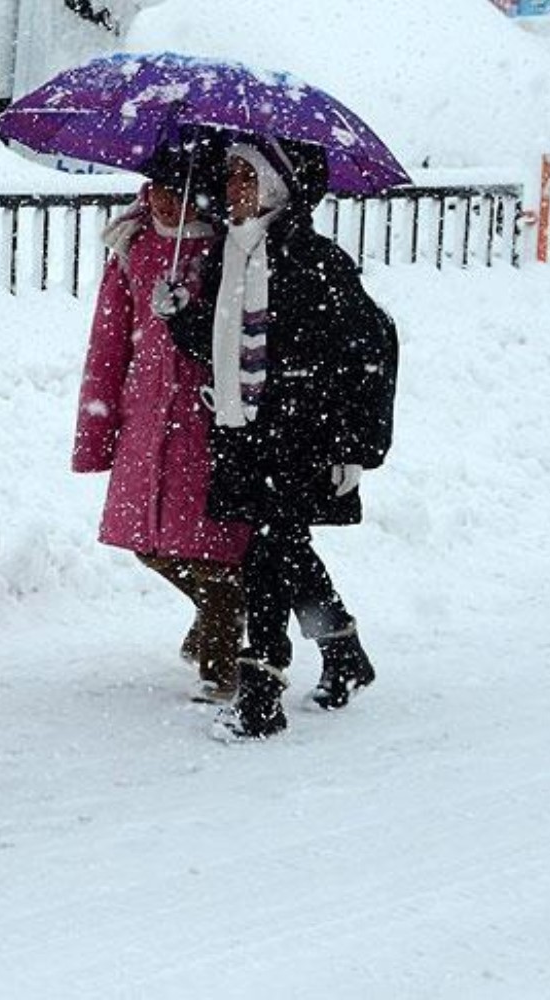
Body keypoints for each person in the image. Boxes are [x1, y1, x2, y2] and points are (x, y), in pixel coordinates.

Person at [166, 139, 398, 741]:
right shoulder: (225, 257)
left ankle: (262, 690)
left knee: (266, 554)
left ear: (276, 186)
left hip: (301, 431)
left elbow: (364, 353)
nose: (233, 185)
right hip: (241, 430)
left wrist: (353, 446)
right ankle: (343, 647)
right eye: (231, 175)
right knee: (284, 547)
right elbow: (219, 346)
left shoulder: (315, 259)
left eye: (246, 175)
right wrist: (179, 316)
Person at [73, 153, 251, 702]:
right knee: (147, 541)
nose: (163, 200)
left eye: (178, 189)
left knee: (210, 543)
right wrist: (96, 430)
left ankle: (220, 667)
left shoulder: (229, 250)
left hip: (206, 417)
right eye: (155, 188)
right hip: (144, 419)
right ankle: (222, 608)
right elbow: (108, 346)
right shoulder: (134, 250)